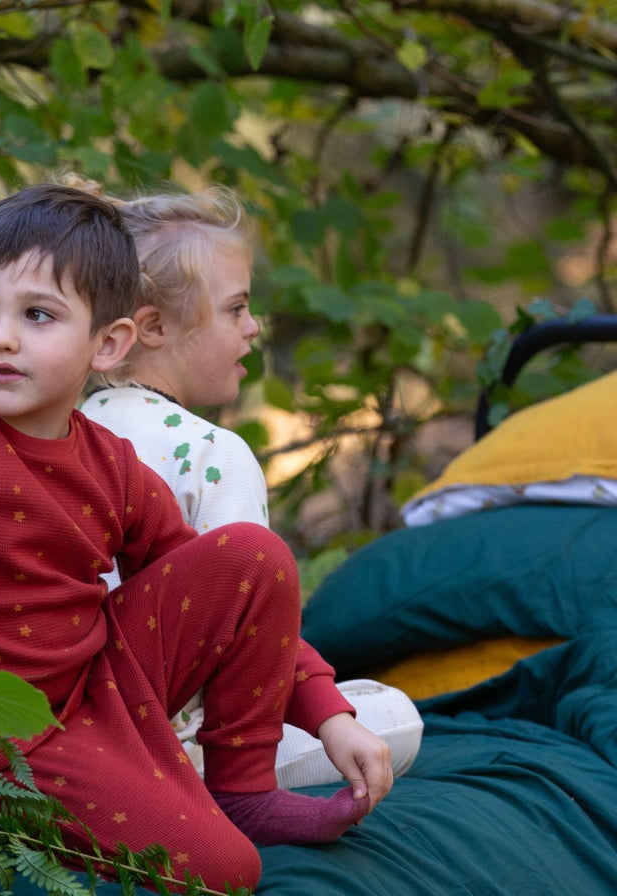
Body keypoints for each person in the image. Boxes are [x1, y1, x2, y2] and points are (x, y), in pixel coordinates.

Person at [0, 183, 393, 893]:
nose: (1, 338)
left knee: (254, 557)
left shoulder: (107, 459)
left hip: (98, 694)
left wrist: (328, 714)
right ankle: (36, 807)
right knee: (228, 871)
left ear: (108, 343)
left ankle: (243, 788)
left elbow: (229, 594)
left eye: (39, 315)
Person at [78, 183, 423, 788]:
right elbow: (250, 638)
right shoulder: (214, 453)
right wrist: (331, 717)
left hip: (64, 720)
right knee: (392, 714)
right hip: (173, 745)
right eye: (236, 309)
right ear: (153, 327)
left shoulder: (67, 429)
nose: (255, 326)